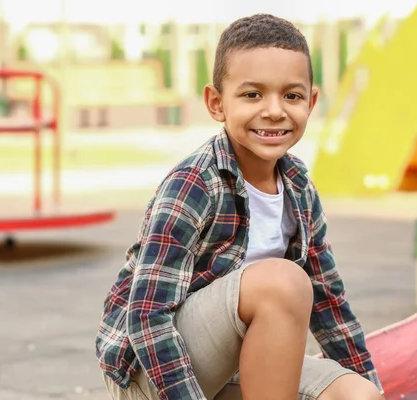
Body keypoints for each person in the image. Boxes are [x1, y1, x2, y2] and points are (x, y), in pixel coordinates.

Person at [96, 13, 384, 400]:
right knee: (282, 283)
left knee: (358, 396)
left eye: (292, 95)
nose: (274, 110)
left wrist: (372, 383)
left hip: (235, 367)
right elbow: (147, 319)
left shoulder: (298, 187)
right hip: (153, 377)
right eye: (252, 94)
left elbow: (330, 303)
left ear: (312, 102)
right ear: (217, 103)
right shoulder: (194, 184)